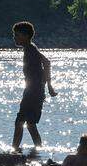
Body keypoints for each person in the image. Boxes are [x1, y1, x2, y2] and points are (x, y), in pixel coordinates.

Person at [11, 21, 57, 151]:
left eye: (17, 35)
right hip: (35, 91)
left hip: (33, 91)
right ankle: (38, 150)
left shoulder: (31, 49)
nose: (15, 38)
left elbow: (47, 63)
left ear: (26, 36)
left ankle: (14, 150)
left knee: (19, 121)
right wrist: (47, 87)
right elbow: (46, 62)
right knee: (30, 124)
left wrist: (49, 86)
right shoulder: (31, 48)